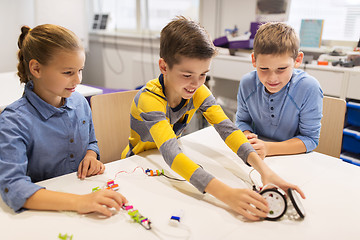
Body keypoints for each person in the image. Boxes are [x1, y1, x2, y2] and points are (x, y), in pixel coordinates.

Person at [122, 16, 305, 221]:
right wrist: (226, 194)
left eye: (203, 75)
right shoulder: (149, 99)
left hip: (167, 166)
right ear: (164, 67)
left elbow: (228, 129)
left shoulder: (198, 90)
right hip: (137, 167)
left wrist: (264, 170)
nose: (196, 83)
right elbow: (172, 154)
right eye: (187, 75)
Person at [0, 24, 127, 216]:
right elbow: (13, 187)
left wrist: (91, 156)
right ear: (36, 68)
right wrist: (80, 202)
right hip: (44, 212)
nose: (77, 80)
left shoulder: (80, 103)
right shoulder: (13, 122)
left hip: (81, 194)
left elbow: (91, 142)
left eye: (80, 70)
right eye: (68, 72)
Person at [235, 22, 323, 159]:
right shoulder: (247, 83)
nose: (272, 78)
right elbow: (242, 121)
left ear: (297, 60)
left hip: (294, 158)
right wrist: (247, 135)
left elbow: (310, 140)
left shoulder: (308, 87)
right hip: (258, 155)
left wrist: (268, 148)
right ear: (254, 60)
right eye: (264, 69)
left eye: (281, 69)